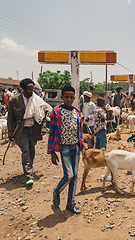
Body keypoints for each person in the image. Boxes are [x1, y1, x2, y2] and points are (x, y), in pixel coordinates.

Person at [48, 85, 85, 214]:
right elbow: (51, 133)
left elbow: (79, 132)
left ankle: (70, 204)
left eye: (71, 97)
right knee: (68, 175)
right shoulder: (56, 112)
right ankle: (57, 191)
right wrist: (52, 152)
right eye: (66, 97)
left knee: (75, 177)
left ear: (74, 98)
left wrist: (83, 146)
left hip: (75, 147)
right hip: (64, 148)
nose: (69, 99)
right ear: (62, 97)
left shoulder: (77, 112)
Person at [8, 79, 46, 185]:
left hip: (33, 130)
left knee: (31, 150)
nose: (31, 91)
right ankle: (29, 175)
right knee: (25, 151)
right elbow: (10, 118)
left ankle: (29, 167)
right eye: (29, 89)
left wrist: (43, 128)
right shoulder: (14, 100)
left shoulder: (36, 100)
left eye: (32, 88)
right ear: (23, 89)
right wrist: (10, 133)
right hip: (21, 131)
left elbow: (42, 115)